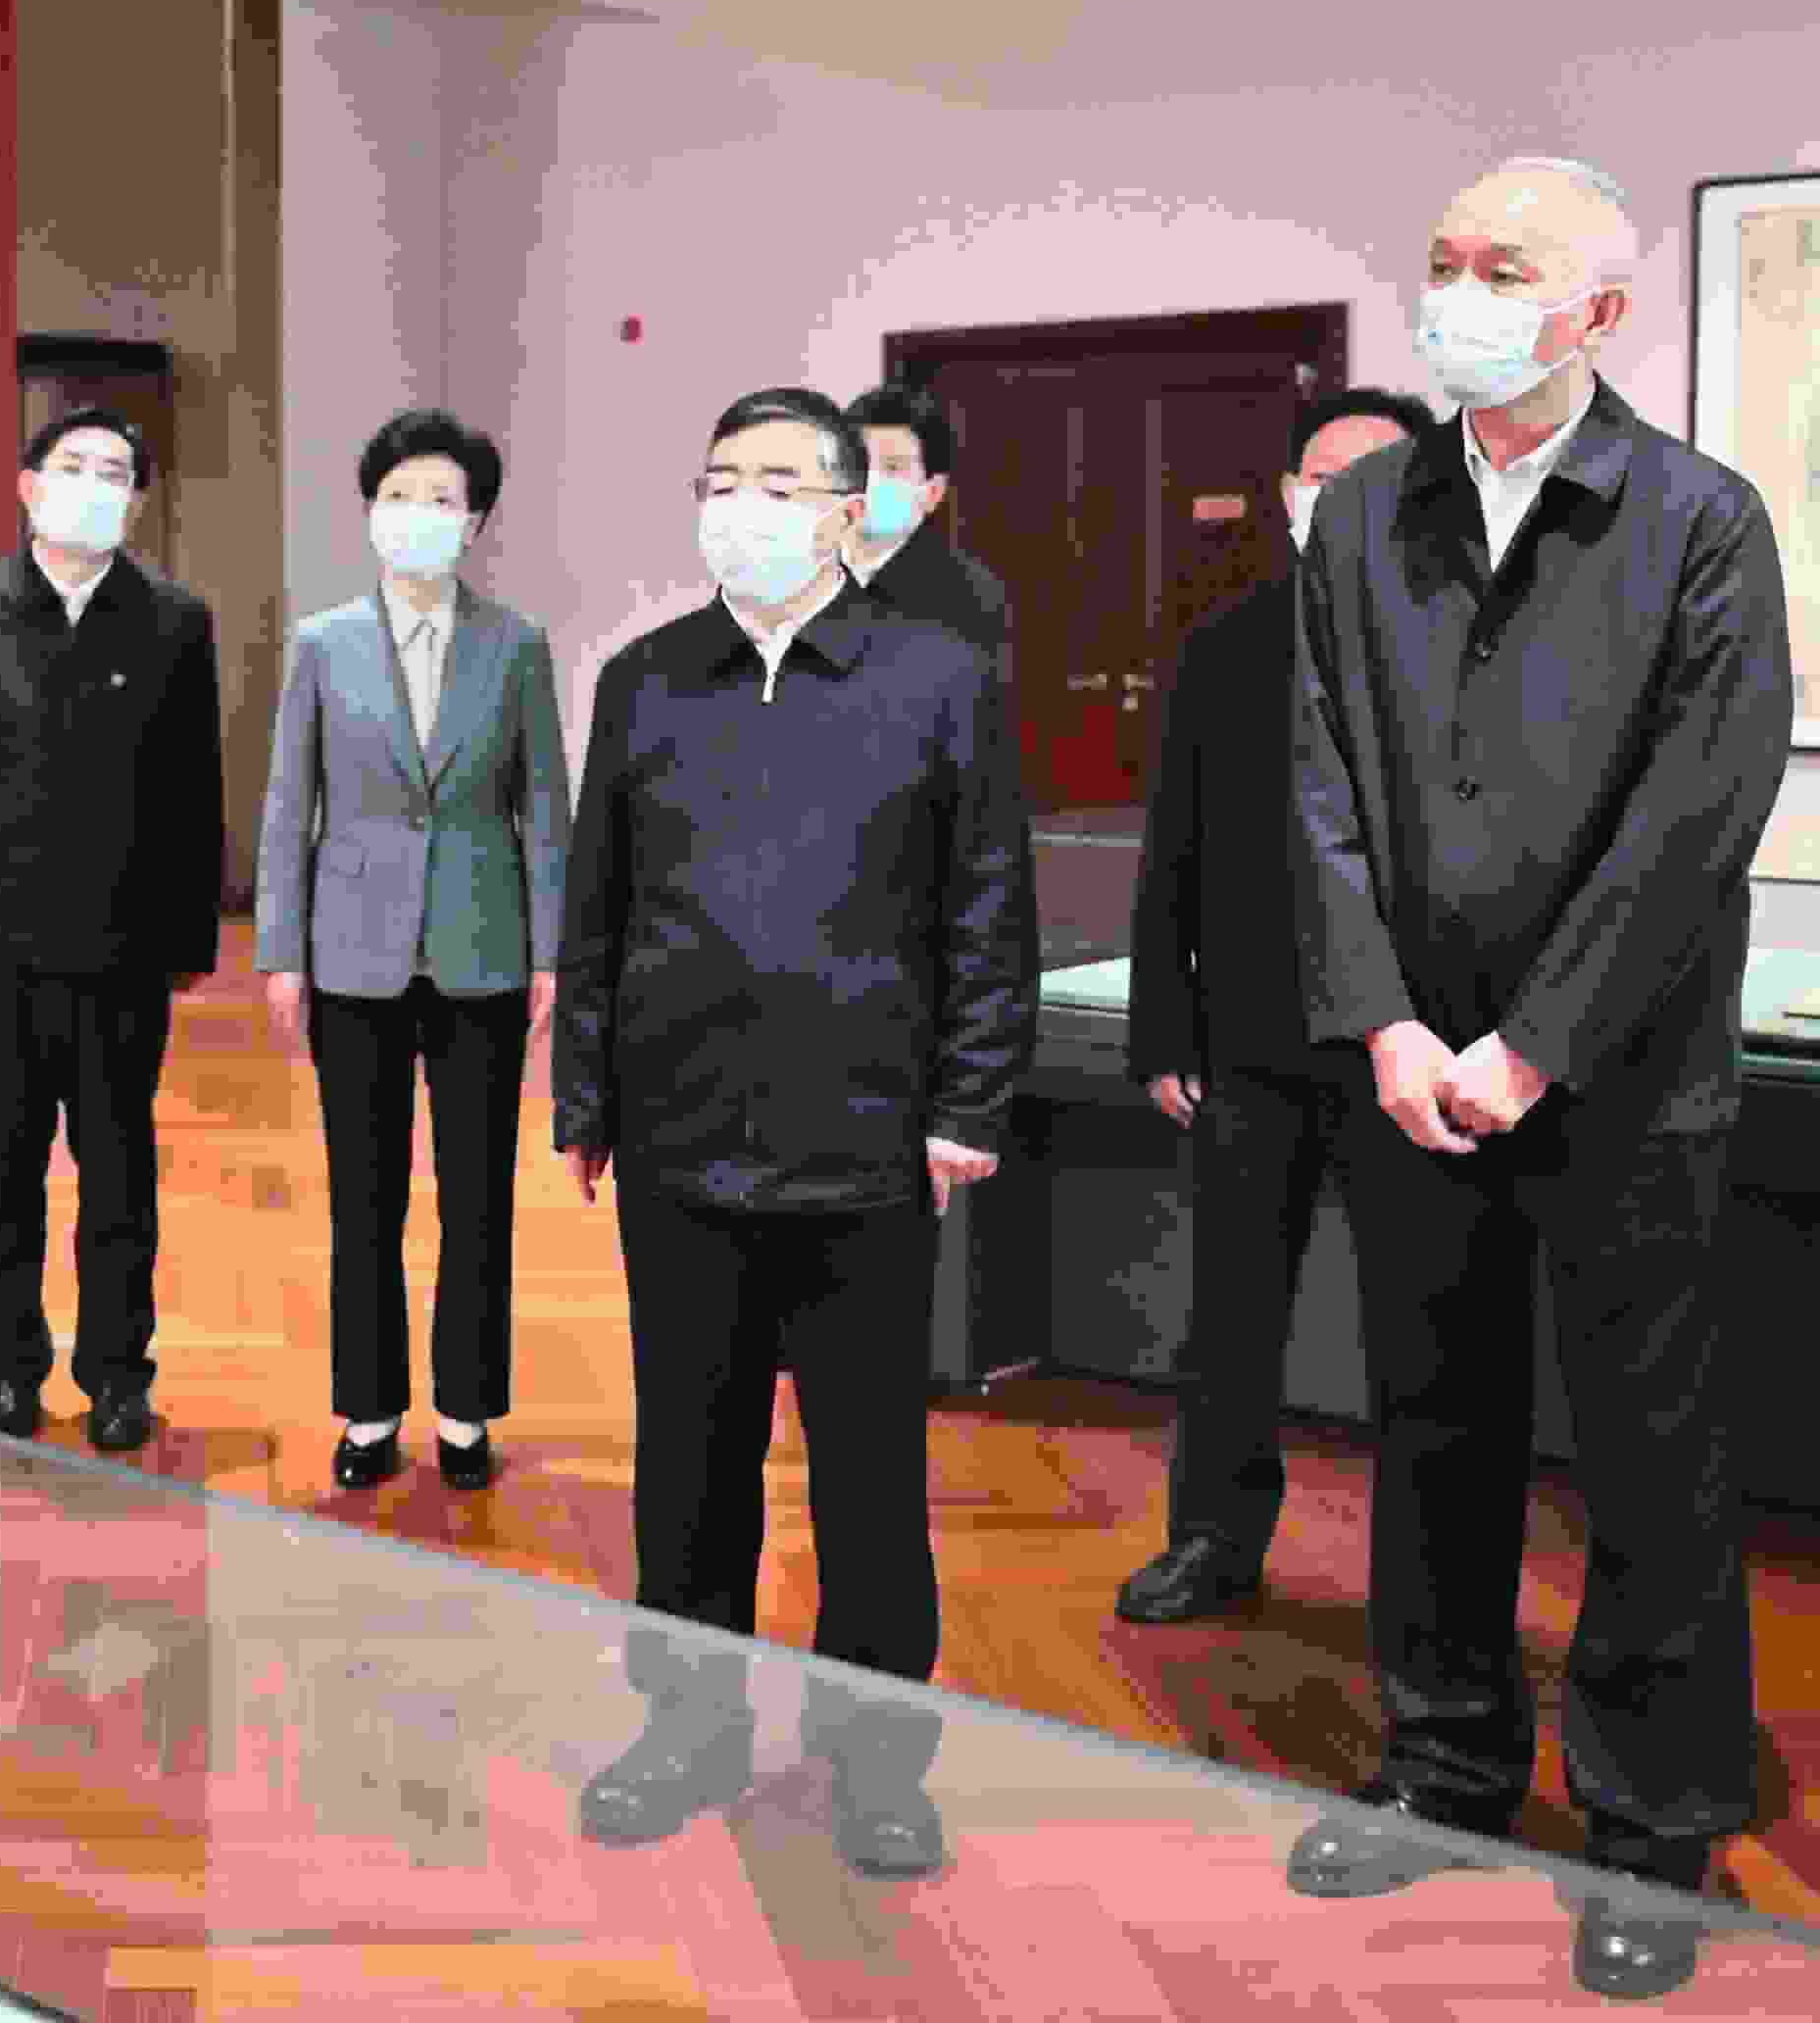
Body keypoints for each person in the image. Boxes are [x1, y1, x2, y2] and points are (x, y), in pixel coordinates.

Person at [1283, 157, 1793, 2000]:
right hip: (1415, 1071)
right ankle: (1444, 1762)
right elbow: (1320, 777)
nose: (1462, 295)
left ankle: (1655, 1818)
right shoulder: (1366, 515)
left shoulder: (1699, 517)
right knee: (1434, 1427)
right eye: (1444, 261)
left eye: (1505, 267)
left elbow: (1699, 811)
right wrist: (1388, 1023)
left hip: (1623, 1075)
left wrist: (1535, 1041)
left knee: (1651, 1456)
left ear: (1600, 311)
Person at [555, 387, 1033, 1881]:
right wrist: (585, 1094)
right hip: (681, 1133)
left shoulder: (938, 677)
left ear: (844, 512)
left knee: (868, 1479)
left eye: (775, 483)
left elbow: (987, 908)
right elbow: (597, 903)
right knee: (687, 1463)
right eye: (720, 480)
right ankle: (687, 1726)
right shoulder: (646, 679)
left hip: (867, 1143)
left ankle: (877, 1759)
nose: (740, 510)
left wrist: (969, 1102)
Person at [1114, 388, 1430, 1627]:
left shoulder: (1469, 642)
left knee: (1422, 1325)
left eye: (1373, 475)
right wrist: (1163, 1022)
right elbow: (1174, 852)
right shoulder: (1228, 646)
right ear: (1288, 496)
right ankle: (1211, 1537)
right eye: (1320, 476)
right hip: (1250, 1038)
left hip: (1408, 1046)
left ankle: (1427, 1580)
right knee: (1230, 1316)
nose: (1339, 498)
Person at [253, 407, 564, 1497]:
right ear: (369, 511)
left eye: (442, 499)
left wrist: (553, 949)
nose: (418, 514)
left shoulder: (516, 645)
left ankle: (468, 1411)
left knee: (478, 1199)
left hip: (484, 949)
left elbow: (545, 808)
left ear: (474, 523)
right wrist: (281, 949)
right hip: (353, 954)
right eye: (399, 495)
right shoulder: (322, 643)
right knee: (365, 1197)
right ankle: (370, 1407)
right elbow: (289, 803)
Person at [0, 407, 226, 1454]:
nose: (94, 484)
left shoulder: (174, 621)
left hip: (120, 957)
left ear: (137, 499)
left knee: (118, 1180)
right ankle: (7, 1372)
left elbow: (192, 790)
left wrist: (187, 942)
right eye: (74, 465)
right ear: (29, 485)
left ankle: (118, 1377)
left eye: (116, 471)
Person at [843, 381, 1013, 677]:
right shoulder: (804, 570)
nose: (868, 481)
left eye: (892, 468)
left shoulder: (969, 595)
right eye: (859, 463)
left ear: (933, 492)